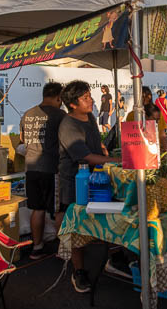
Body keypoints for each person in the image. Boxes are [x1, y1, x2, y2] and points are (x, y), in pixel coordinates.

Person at [57, 81, 121, 293]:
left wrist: (104, 150)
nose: (91, 100)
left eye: (89, 96)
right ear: (73, 104)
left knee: (106, 219)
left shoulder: (90, 117)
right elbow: (84, 156)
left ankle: (113, 259)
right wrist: (115, 161)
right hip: (75, 181)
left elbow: (95, 143)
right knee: (78, 226)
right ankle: (79, 271)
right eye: (85, 98)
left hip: (98, 178)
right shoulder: (68, 125)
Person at [19, 82, 66, 260]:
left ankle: (37, 247)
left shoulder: (28, 114)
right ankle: (63, 249)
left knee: (37, 209)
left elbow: (22, 140)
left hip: (31, 169)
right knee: (59, 210)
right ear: (59, 97)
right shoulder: (60, 115)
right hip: (51, 169)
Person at [126, 86, 167, 151]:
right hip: (138, 151)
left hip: (153, 150)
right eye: (141, 97)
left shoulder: (157, 113)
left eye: (144, 96)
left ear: (149, 97)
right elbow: (129, 137)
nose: (142, 99)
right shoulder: (131, 115)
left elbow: (162, 135)